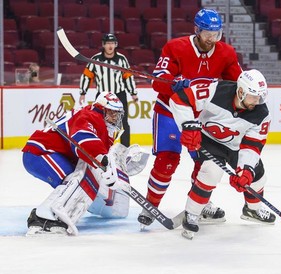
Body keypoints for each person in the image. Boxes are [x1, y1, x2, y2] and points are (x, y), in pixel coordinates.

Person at [137, 8, 243, 227]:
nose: (212, 39)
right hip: (170, 111)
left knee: (205, 162)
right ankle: (150, 204)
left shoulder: (226, 53)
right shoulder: (176, 47)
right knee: (167, 161)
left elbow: (237, 84)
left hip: (201, 117)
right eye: (207, 34)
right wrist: (172, 82)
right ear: (197, 31)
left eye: (216, 34)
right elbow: (158, 80)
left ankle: (200, 203)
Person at [168, 69, 276, 238]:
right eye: (253, 96)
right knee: (211, 173)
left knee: (257, 178)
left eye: (261, 96)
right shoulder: (216, 90)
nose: (258, 101)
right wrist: (188, 125)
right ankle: (192, 214)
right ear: (240, 91)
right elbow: (179, 99)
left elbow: (253, 145)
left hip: (237, 146)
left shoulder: (261, 114)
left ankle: (253, 210)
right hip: (209, 141)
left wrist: (245, 170)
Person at [22, 92, 146, 236]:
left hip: (55, 154)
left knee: (77, 178)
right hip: (40, 152)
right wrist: (103, 161)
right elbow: (83, 139)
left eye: (118, 114)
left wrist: (117, 167)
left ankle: (56, 214)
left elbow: (104, 155)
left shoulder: (103, 127)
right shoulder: (89, 116)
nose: (116, 117)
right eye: (112, 113)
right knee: (74, 181)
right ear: (102, 109)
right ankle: (42, 218)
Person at [79, 33, 138, 147]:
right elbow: (87, 76)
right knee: (99, 122)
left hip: (119, 95)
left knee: (123, 122)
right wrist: (83, 92)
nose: (110, 46)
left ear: (115, 45)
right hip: (102, 96)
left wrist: (133, 93)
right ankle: (100, 147)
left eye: (112, 43)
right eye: (108, 43)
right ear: (103, 45)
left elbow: (128, 76)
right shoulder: (96, 59)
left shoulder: (121, 59)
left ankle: (124, 150)